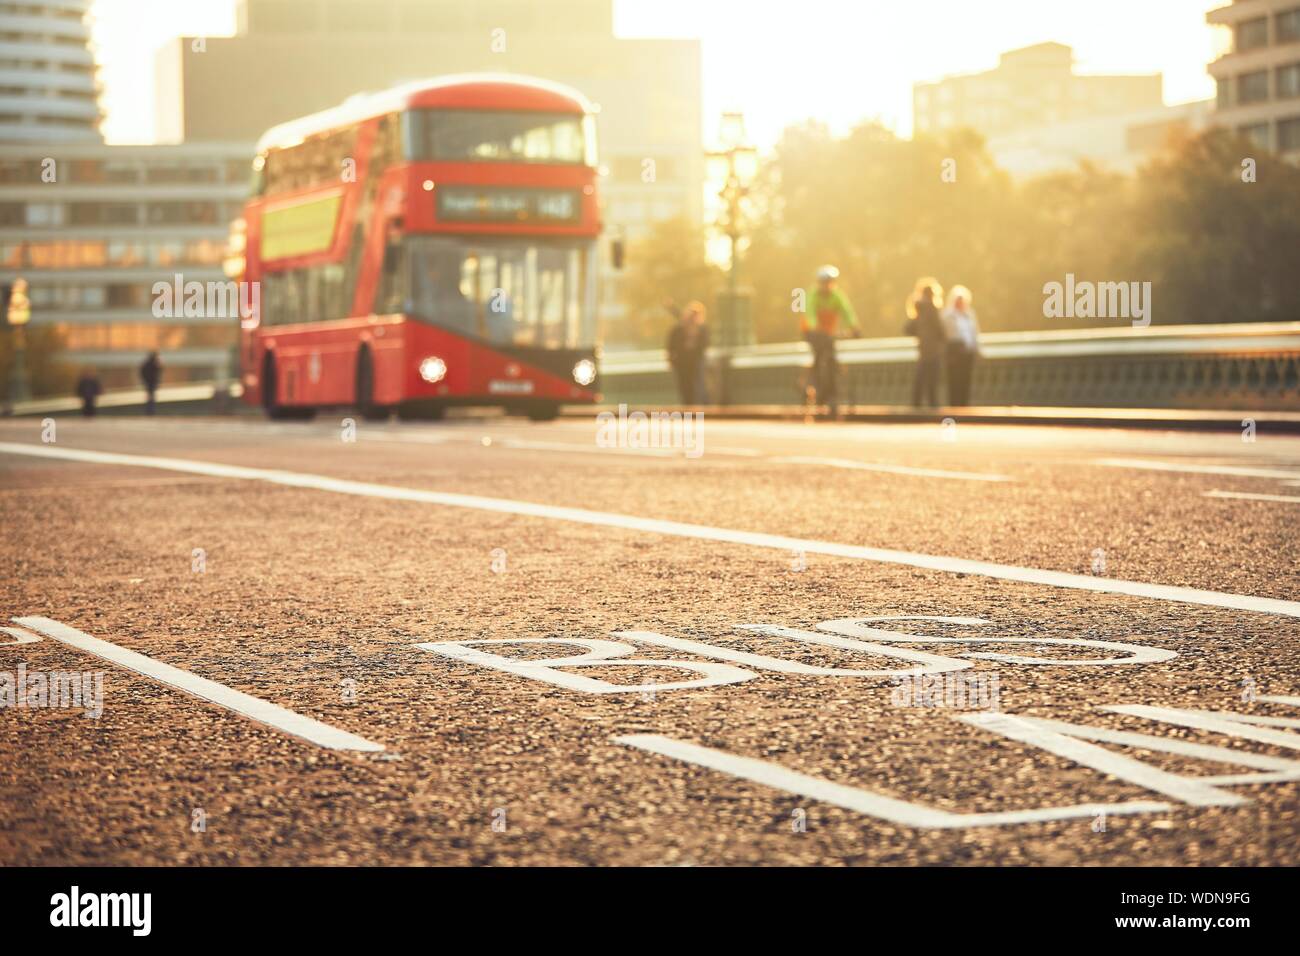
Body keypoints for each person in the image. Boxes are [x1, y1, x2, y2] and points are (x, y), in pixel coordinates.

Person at [801, 265, 859, 417]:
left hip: (828, 334)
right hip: (812, 332)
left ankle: (831, 393)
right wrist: (814, 328)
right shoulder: (813, 295)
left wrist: (854, 327)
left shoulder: (837, 296)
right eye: (824, 282)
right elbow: (810, 313)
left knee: (831, 358)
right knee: (819, 355)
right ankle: (814, 381)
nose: (827, 286)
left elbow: (847, 311)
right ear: (819, 283)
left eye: (830, 282)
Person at [905, 278, 945, 407]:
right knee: (932, 378)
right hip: (933, 348)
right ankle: (932, 404)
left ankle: (916, 404)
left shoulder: (919, 309)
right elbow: (939, 329)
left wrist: (921, 334)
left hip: (923, 347)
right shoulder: (932, 309)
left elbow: (908, 328)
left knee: (921, 376)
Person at [942, 285, 980, 406]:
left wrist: (977, 349)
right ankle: (954, 406)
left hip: (968, 353)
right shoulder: (947, 315)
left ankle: (964, 405)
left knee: (966, 380)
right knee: (954, 380)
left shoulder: (969, 314)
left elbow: (974, 333)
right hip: (954, 353)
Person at [666, 300, 709, 405]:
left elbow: (704, 346)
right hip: (682, 364)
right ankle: (690, 409)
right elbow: (671, 346)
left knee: (697, 387)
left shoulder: (702, 330)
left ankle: (696, 408)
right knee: (685, 387)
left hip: (695, 364)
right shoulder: (678, 330)